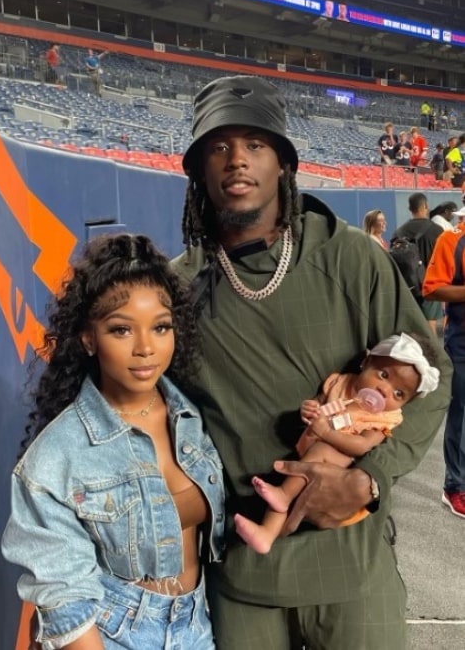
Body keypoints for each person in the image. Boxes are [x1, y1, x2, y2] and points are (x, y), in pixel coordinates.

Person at [173, 74, 451, 650]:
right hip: (244, 571)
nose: (237, 161)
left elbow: (433, 376)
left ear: (284, 164)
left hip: (351, 565)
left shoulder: (349, 256)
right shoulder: (179, 290)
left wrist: (368, 480)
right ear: (200, 169)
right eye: (219, 147)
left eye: (255, 144)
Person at [2, 233, 225, 649]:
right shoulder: (56, 456)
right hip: (112, 632)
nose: (146, 348)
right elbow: (64, 596)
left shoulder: (195, 417)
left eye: (161, 327)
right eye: (121, 330)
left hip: (197, 625)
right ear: (89, 338)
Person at [234, 333, 440, 554]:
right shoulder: (340, 383)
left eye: (399, 394)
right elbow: (318, 404)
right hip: (307, 453)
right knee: (291, 485)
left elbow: (363, 446)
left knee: (306, 469)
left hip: (340, 466)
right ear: (366, 362)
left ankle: (282, 500)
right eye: (383, 375)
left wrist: (327, 432)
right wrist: (309, 409)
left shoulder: (383, 418)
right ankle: (266, 534)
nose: (385, 390)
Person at [424, 227, 465, 518]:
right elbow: (433, 288)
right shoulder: (451, 238)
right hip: (462, 340)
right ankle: (455, 487)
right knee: (462, 414)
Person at [392, 192, 443, 333]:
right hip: (429, 284)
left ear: (409, 208)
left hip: (406, 286)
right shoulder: (437, 231)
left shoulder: (398, 232)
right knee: (429, 326)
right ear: (426, 206)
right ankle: (431, 355)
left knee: (410, 328)